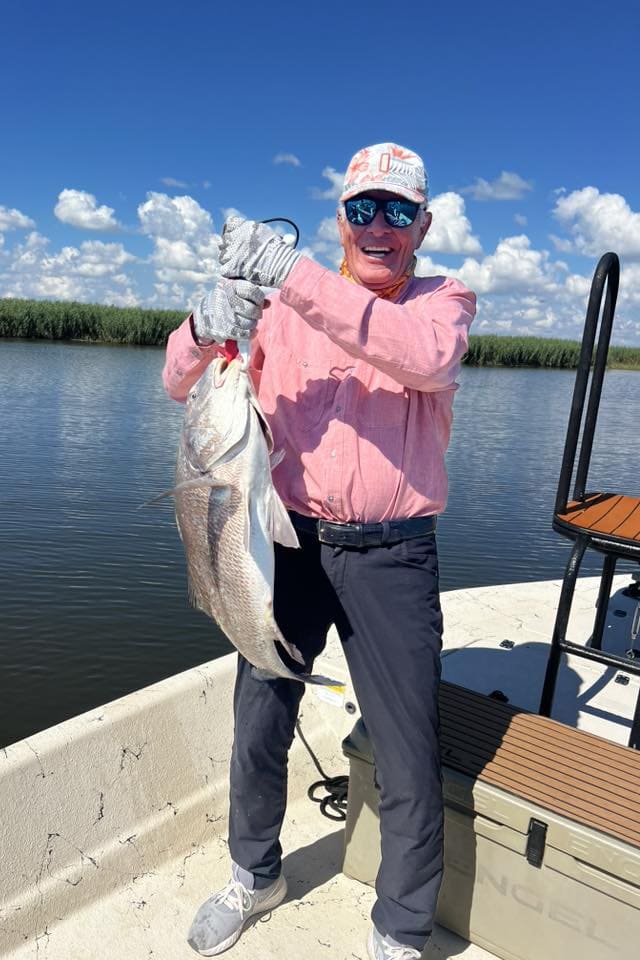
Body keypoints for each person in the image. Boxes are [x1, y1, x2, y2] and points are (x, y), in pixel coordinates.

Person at [162, 142, 476, 960]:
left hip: (393, 555)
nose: (380, 226)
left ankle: (400, 929)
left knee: (409, 752)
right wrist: (206, 324)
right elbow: (177, 380)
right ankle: (253, 874)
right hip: (285, 540)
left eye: (399, 211)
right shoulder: (279, 305)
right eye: (364, 209)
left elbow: (421, 357)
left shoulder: (443, 301)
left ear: (423, 225)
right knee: (258, 721)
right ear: (342, 218)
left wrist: (290, 273)